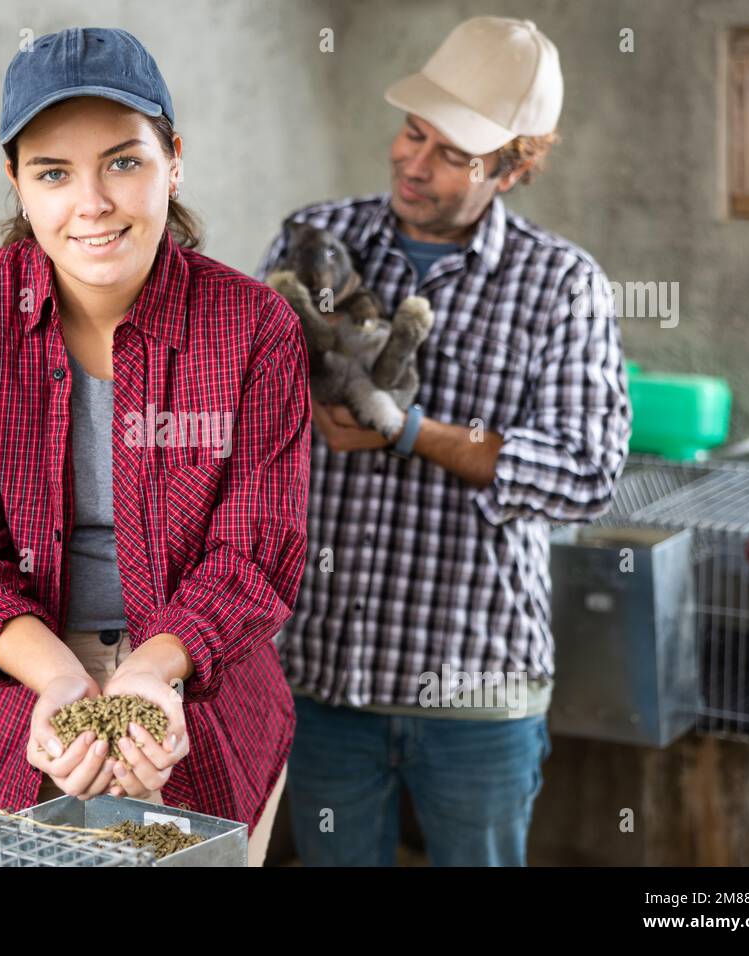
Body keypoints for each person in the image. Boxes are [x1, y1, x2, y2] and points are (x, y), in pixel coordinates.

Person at [0, 27, 310, 867]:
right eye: (53, 172)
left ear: (174, 160)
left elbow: (254, 555)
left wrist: (156, 671)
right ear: (15, 182)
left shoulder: (254, 327)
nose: (93, 203)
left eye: (124, 161)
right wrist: (58, 680)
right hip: (10, 690)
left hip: (197, 683)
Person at [255, 16, 632, 866]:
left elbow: (585, 473)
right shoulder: (317, 235)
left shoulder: (562, 285)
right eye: (412, 132)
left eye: (452, 153)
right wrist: (297, 409)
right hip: (321, 678)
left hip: (476, 690)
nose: (412, 162)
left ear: (514, 165)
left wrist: (411, 432)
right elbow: (237, 395)